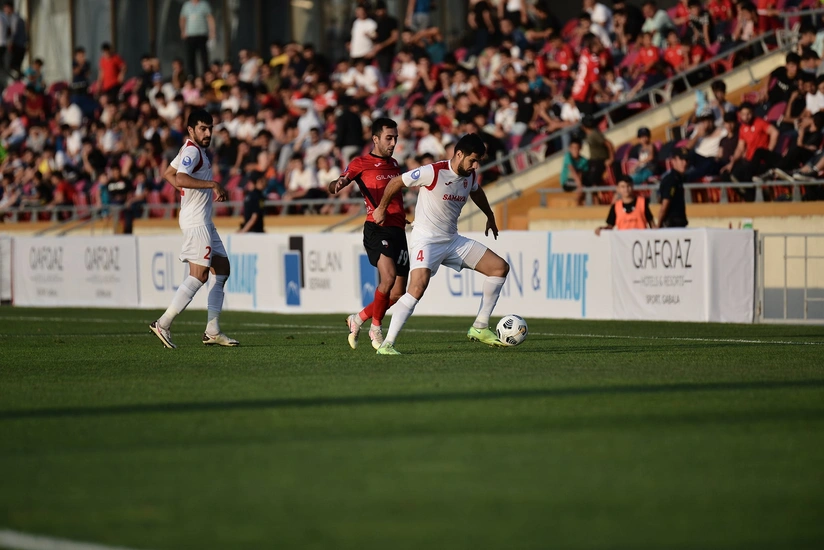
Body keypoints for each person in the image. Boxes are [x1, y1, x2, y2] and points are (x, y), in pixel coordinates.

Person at [371, 133, 510, 355]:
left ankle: (480, 327)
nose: (475, 166)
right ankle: (387, 344)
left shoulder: (470, 176)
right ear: (459, 154)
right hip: (426, 239)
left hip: (452, 240)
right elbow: (396, 182)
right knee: (417, 287)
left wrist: (489, 215)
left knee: (499, 268)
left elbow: (476, 191)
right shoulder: (432, 172)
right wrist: (381, 208)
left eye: (478, 162)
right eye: (472, 160)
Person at [150, 108, 238, 349]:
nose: (208, 133)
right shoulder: (191, 150)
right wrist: (211, 184)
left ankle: (212, 330)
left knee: (222, 269)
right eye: (203, 128)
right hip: (195, 221)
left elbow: (168, 173)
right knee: (199, 274)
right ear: (191, 130)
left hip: (204, 220)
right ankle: (164, 323)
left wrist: (187, 189)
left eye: (210, 128)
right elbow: (179, 178)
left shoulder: (194, 149)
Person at [330, 118, 407, 350]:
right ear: (375, 139)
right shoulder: (360, 163)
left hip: (398, 229)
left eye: (395, 138)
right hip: (376, 228)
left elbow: (394, 196)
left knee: (398, 292)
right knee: (388, 277)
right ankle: (376, 329)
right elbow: (337, 182)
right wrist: (338, 182)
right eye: (389, 138)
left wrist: (404, 216)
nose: (393, 142)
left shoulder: (394, 163)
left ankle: (359, 318)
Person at [180, 0, 216, 77]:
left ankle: (206, 75)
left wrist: (212, 32)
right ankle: (192, 76)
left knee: (204, 57)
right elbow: (182, 18)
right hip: (190, 35)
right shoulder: (186, 5)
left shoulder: (204, 4)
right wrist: (183, 31)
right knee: (190, 57)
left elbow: (210, 18)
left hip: (202, 34)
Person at [657, 147, 689, 228]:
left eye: (686, 160)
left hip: (679, 224)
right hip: (672, 225)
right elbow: (665, 204)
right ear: (673, 161)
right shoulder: (671, 180)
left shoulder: (679, 178)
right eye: (681, 160)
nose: (684, 163)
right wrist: (659, 225)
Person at [3, 1, 26, 78]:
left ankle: (19, 77)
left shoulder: (14, 18)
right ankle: (18, 76)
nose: (5, 12)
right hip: (20, 45)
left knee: (11, 65)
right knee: (15, 65)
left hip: (17, 45)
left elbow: (14, 32)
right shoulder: (16, 18)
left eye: (6, 10)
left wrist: (10, 43)